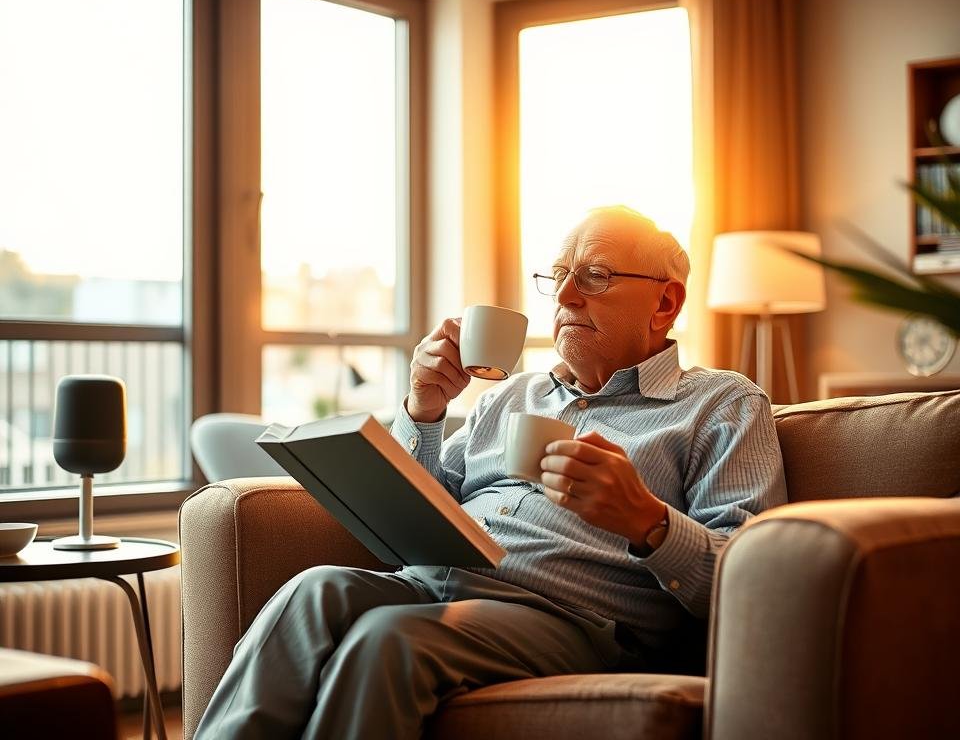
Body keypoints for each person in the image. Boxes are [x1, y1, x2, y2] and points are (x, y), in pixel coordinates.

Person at [194, 205, 787, 739]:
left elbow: (754, 582)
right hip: (437, 584)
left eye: (597, 276)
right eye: (560, 276)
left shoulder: (721, 404)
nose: (567, 297)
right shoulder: (511, 395)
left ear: (665, 303)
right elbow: (427, 505)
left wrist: (647, 521)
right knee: (313, 588)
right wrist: (424, 412)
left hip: (570, 618)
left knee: (388, 642)